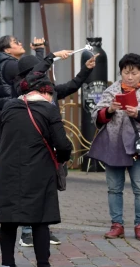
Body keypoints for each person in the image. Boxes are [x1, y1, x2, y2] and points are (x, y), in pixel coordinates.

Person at [11, 49, 98, 247]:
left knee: (48, 189)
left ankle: (43, 229)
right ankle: (27, 232)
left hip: (49, 147)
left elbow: (72, 86)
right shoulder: (21, 88)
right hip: (30, 147)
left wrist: (86, 70)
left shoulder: (49, 89)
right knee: (29, 190)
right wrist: (50, 56)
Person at [0, 70, 72, 267]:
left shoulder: (9, 107)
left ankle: (7, 266)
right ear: (44, 92)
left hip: (8, 170)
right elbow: (63, 145)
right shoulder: (48, 110)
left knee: (8, 219)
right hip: (39, 170)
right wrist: (62, 156)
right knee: (40, 219)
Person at [88, 53, 140, 242]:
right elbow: (97, 116)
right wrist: (110, 110)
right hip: (114, 145)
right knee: (114, 188)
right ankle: (116, 225)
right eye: (125, 72)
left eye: (134, 73)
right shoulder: (112, 90)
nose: (129, 77)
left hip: (138, 147)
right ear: (120, 72)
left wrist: (138, 114)